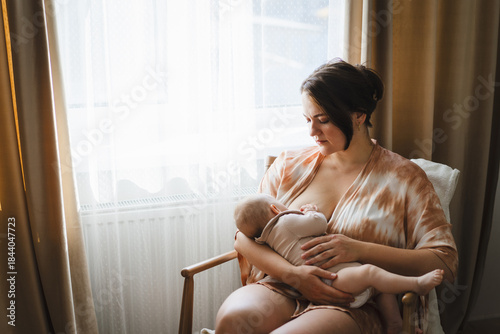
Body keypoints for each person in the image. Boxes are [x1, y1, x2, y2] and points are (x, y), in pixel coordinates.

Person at [216, 59, 458, 334]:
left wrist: (359, 249)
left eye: (323, 120)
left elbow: (444, 262)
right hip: (285, 285)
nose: (312, 132)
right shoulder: (289, 166)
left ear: (359, 115)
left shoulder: (405, 179)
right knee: (233, 321)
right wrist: (293, 275)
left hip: (353, 301)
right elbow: (243, 238)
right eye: (307, 120)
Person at [233, 193, 444, 333]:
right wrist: (310, 211)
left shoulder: (266, 238)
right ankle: (415, 285)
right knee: (372, 274)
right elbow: (318, 223)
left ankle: (394, 324)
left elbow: (244, 238)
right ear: (275, 209)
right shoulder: (286, 221)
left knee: (377, 282)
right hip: (332, 281)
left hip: (329, 280)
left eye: (322, 121)